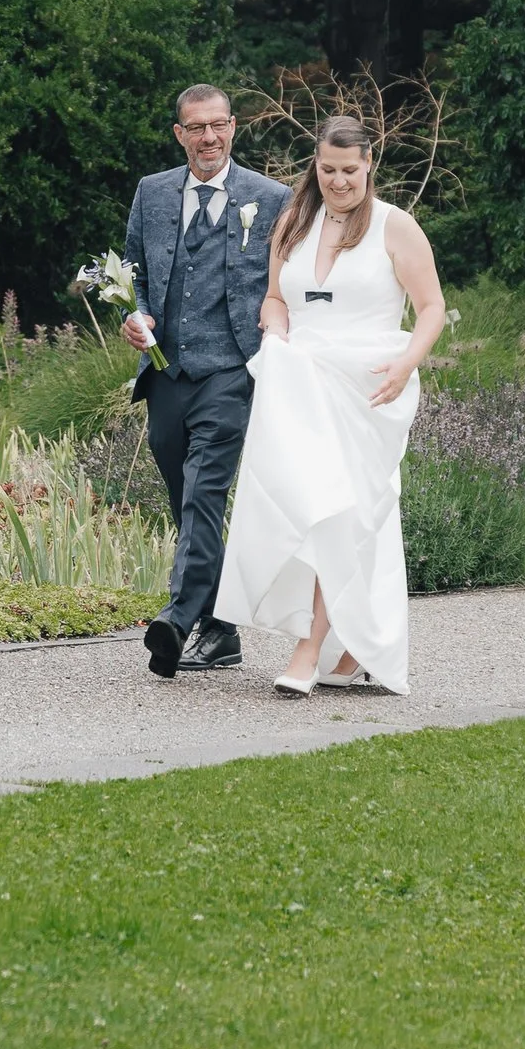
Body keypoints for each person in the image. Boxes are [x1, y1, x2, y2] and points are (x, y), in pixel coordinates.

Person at [216, 110, 446, 696]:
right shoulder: (293, 220)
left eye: (349, 169)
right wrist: (276, 335)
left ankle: (311, 648)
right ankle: (348, 648)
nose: (338, 181)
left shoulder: (397, 227)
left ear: (369, 166)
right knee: (307, 506)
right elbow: (274, 299)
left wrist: (406, 363)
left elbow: (431, 309)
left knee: (345, 514)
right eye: (327, 169)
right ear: (313, 166)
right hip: (299, 385)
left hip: (368, 386)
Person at [120, 85, 292, 679]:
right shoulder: (152, 193)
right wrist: (135, 315)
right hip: (168, 373)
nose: (208, 138)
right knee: (182, 496)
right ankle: (220, 632)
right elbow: (135, 275)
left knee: (203, 491)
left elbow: (286, 285)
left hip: (232, 371)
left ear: (234, 128)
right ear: (179, 134)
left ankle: (176, 618)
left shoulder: (271, 199)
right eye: (196, 128)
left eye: (218, 125)